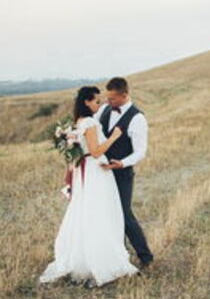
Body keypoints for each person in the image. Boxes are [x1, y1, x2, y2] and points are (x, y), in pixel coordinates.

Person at [39, 86, 139, 287]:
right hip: (95, 172)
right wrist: (114, 137)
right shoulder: (91, 122)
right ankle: (101, 261)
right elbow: (95, 151)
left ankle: (81, 259)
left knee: (86, 212)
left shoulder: (78, 122)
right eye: (96, 101)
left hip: (82, 171)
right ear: (86, 102)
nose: (99, 104)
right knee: (101, 213)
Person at [96, 77, 154, 268]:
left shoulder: (137, 118)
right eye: (107, 98)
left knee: (123, 213)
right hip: (101, 173)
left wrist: (122, 163)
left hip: (122, 174)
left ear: (124, 95)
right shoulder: (104, 109)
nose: (108, 102)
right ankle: (117, 254)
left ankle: (145, 256)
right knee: (106, 213)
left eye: (112, 99)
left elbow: (140, 151)